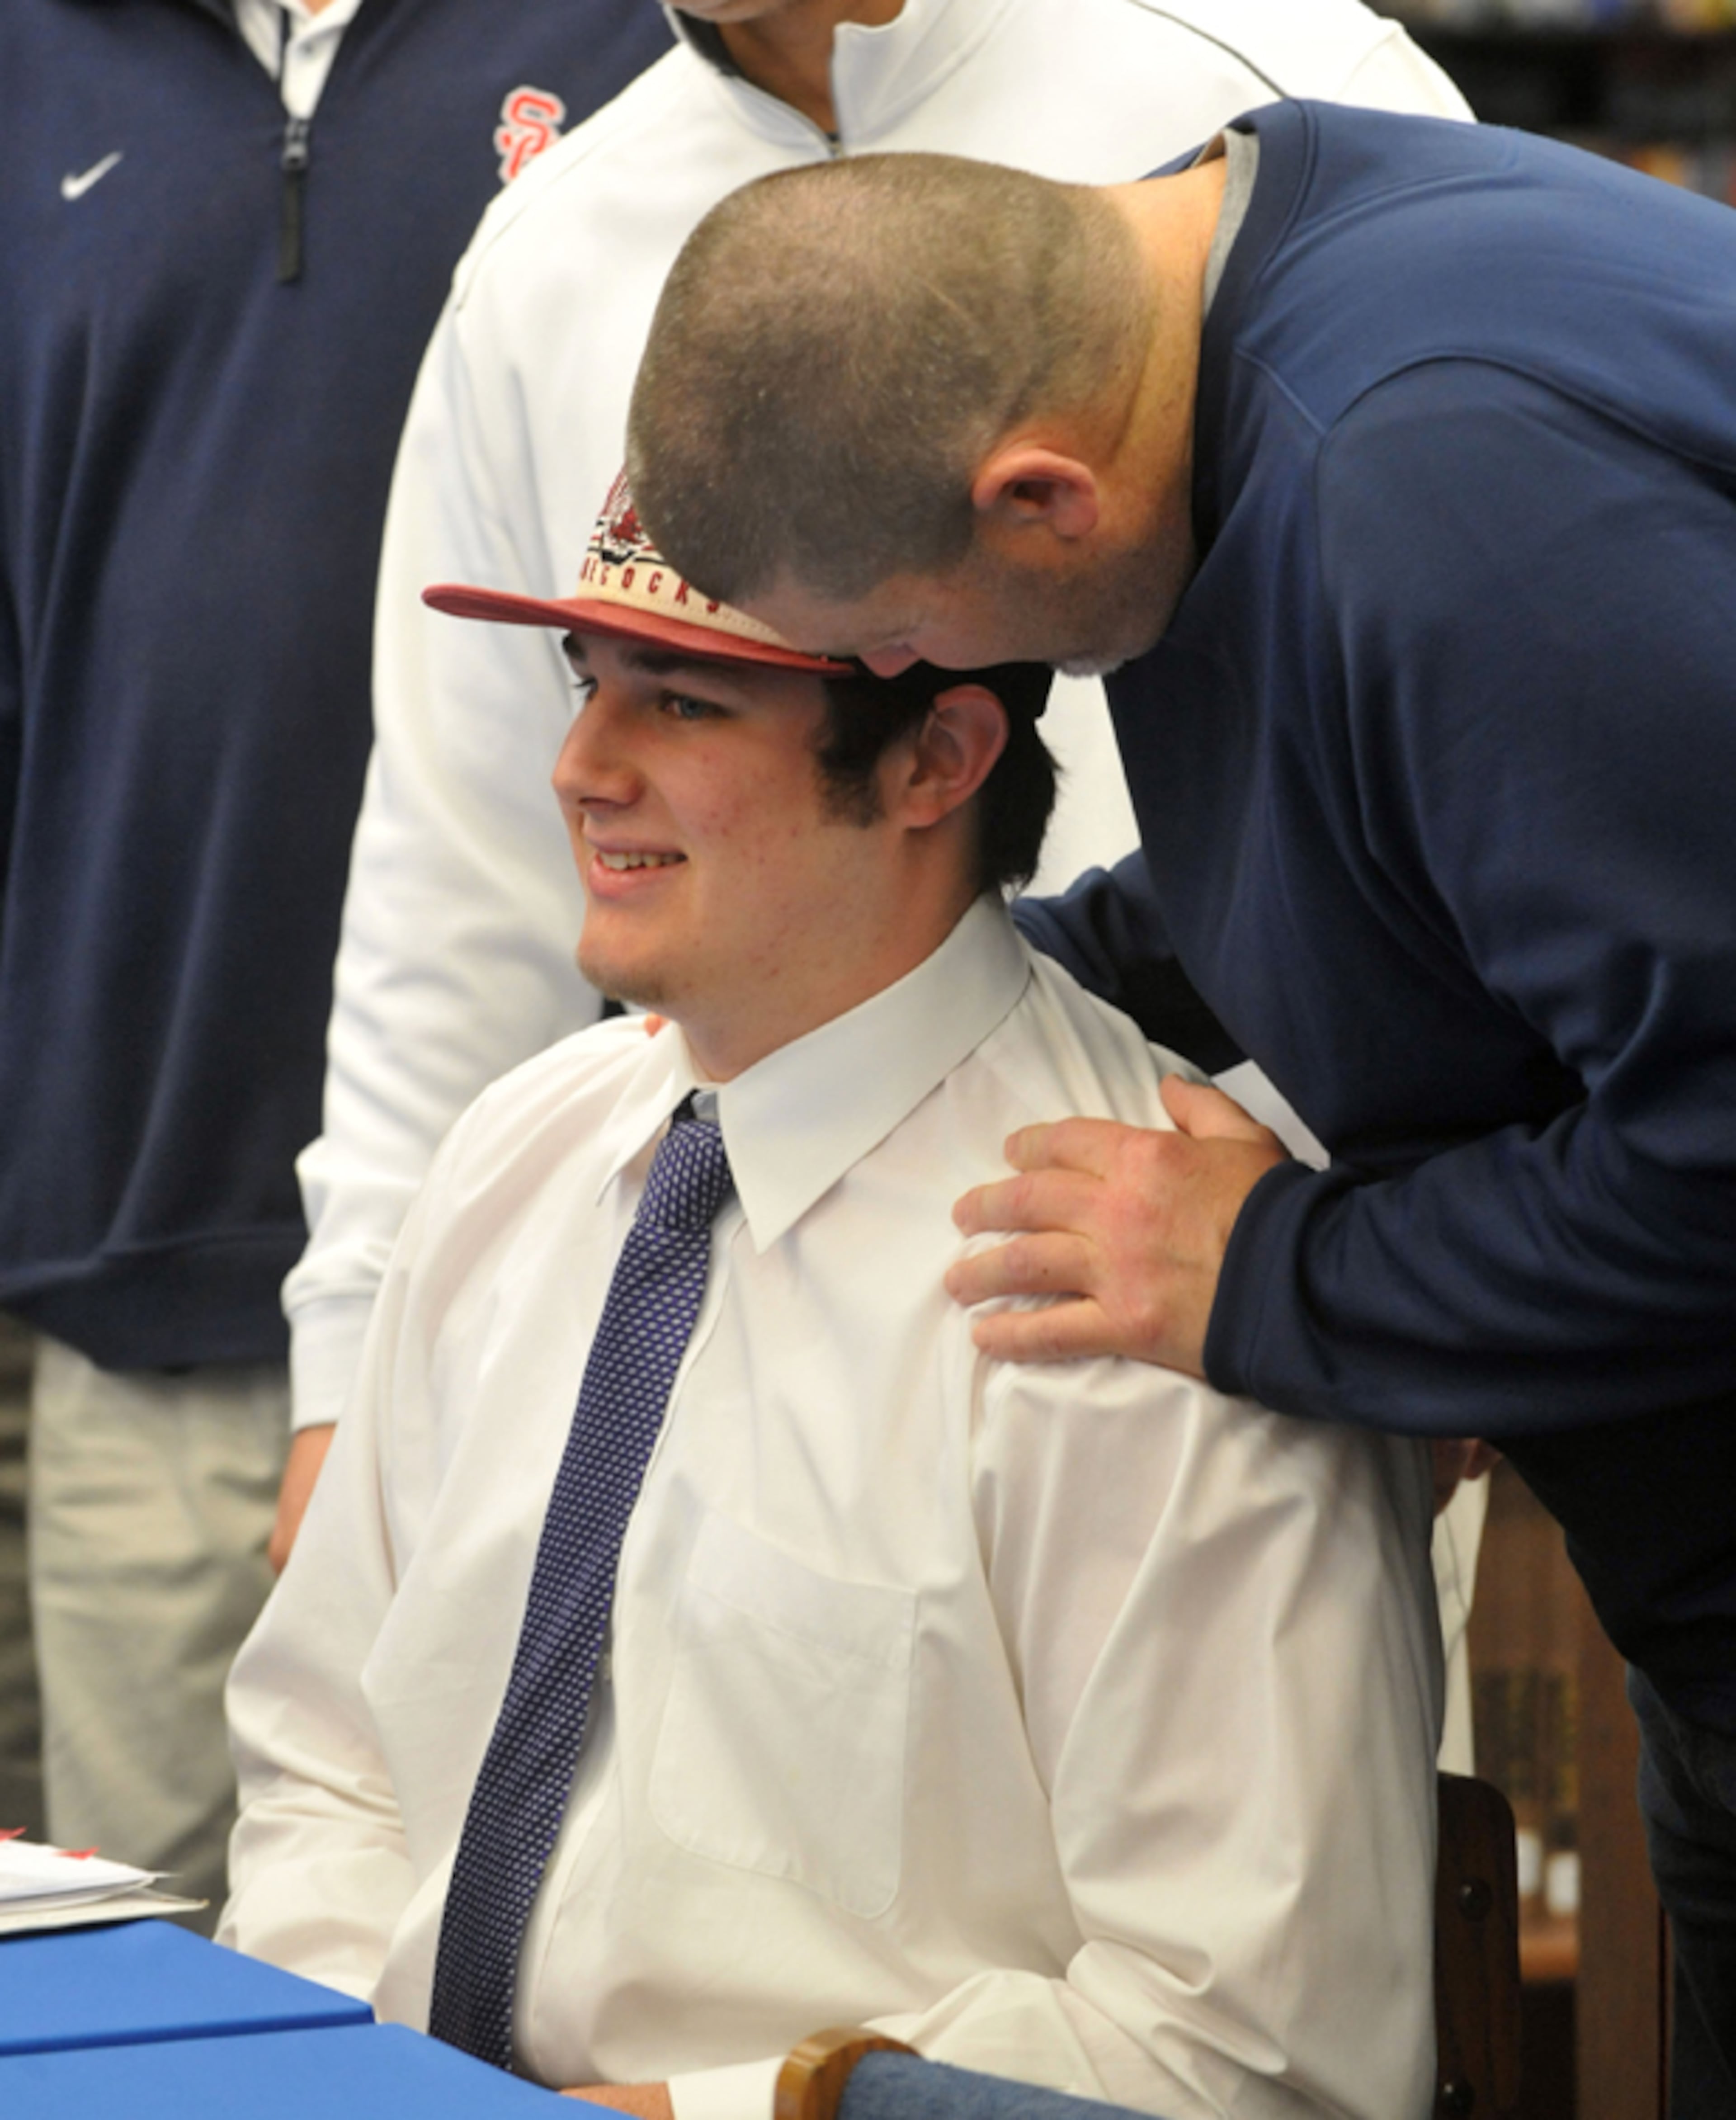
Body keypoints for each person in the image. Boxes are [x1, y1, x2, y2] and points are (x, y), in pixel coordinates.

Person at [620, 104, 1736, 2108]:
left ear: (1038, 499)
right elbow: (1369, 820)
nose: (888, 676)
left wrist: (1283, 1276)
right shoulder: (1216, 282)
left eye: (891, 635)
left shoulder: (1438, 484)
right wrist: (968, 976)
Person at [220, 482, 1442, 2120]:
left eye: (684, 701)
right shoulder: (520, 1155)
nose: (584, 767)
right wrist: (344, 2084)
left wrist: (678, 2115)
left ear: (939, 758)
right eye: (590, 683)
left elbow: (1250, 2057)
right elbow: (327, 1758)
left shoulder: (1146, 1272)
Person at [283, 0, 1469, 1516]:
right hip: (730, 1320)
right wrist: (352, 1371)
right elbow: (461, 871)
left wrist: (1374, 1283)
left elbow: (1489, 757)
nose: (610, 742)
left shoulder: (1285, 85)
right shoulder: (556, 243)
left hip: (1240, 1321)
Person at [0, 0, 668, 1915]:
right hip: (148, 1258)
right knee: (148, 1985)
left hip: (599, 1270)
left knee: (548, 1967)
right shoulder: (34, 62)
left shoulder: (645, 33)